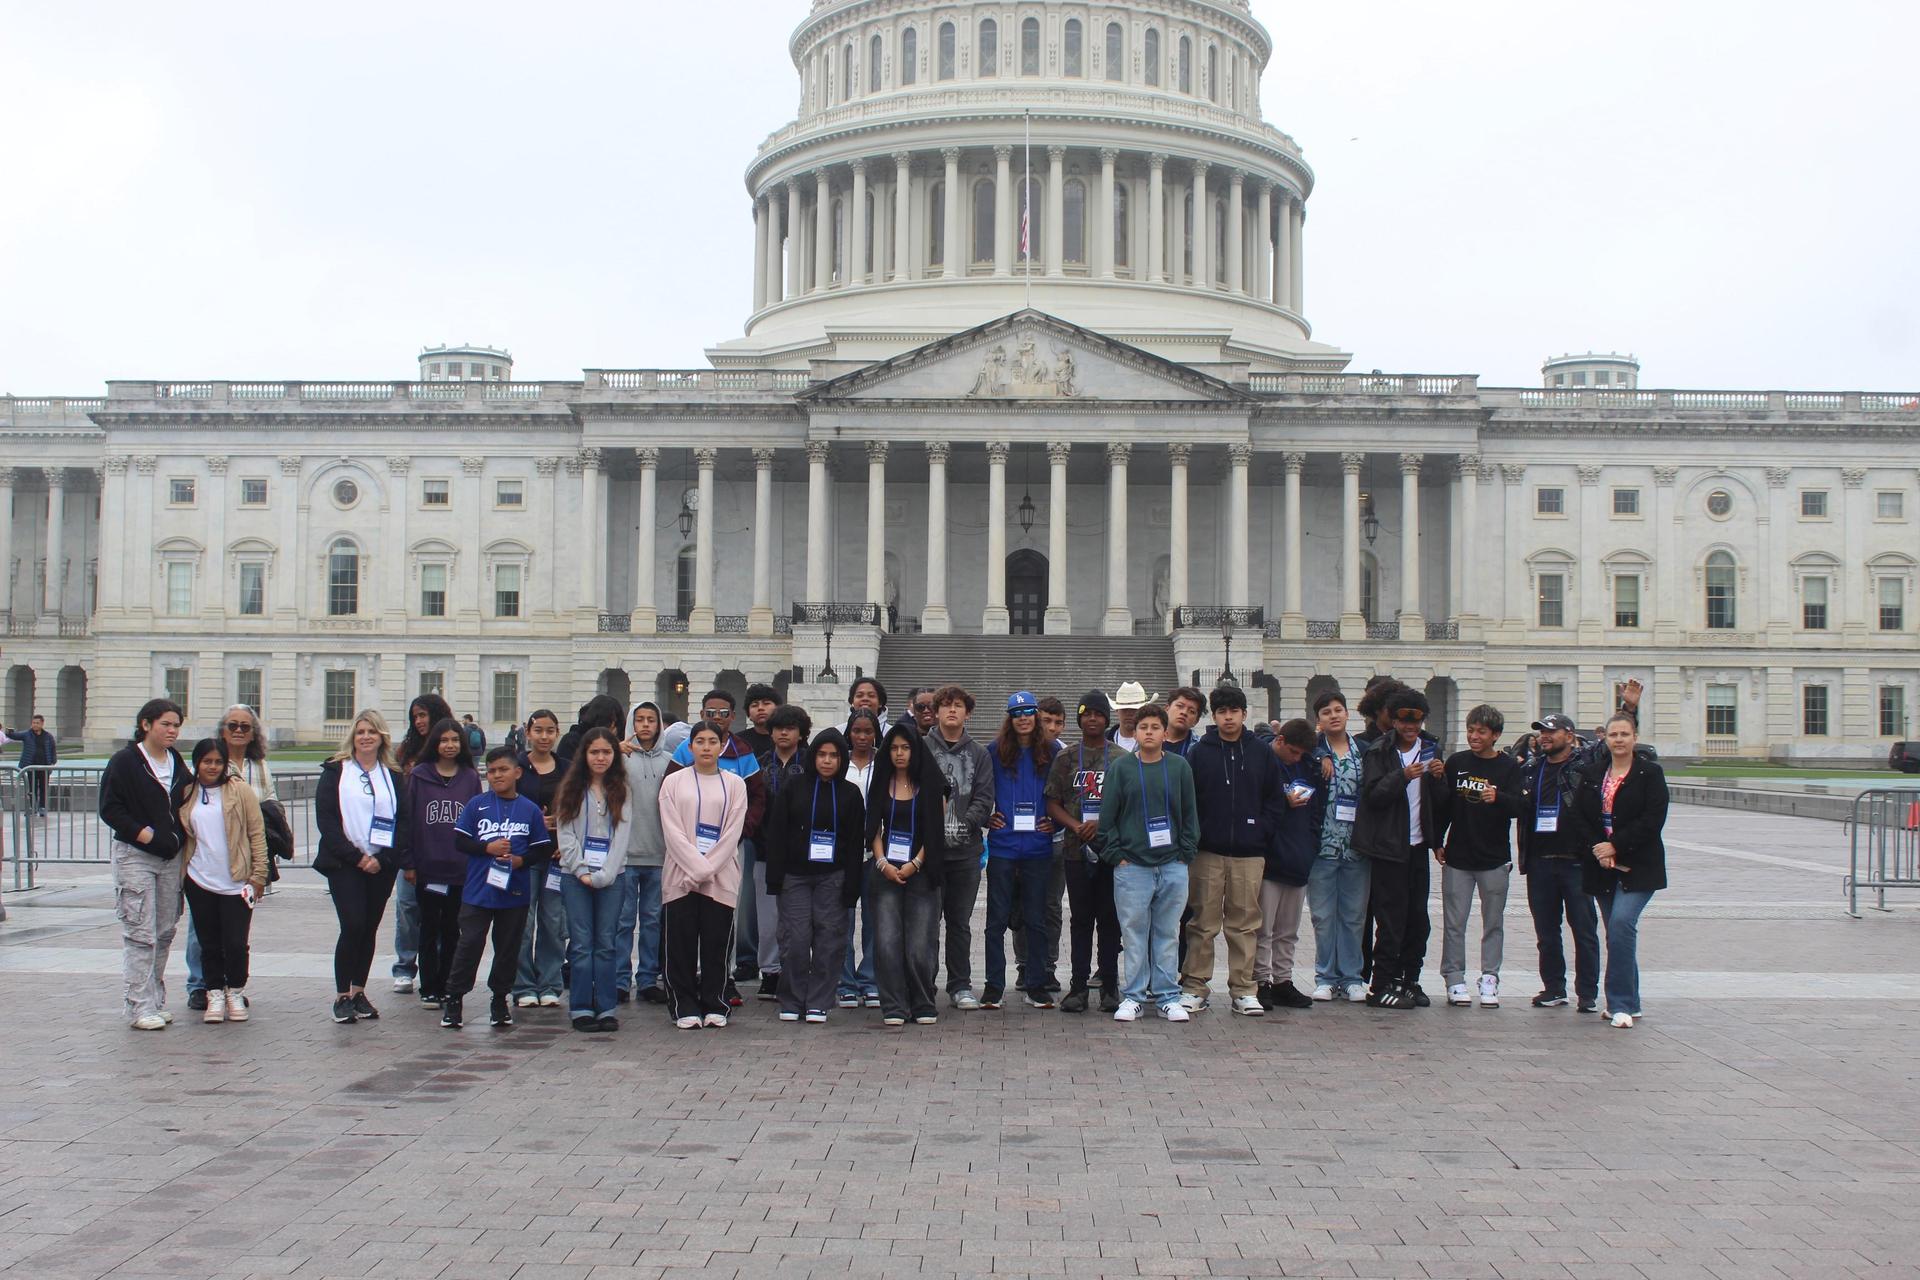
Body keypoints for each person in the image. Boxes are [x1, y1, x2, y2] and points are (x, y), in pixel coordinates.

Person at [1179, 683, 1288, 1016]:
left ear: (1244, 714)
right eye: (1222, 712)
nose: (1228, 718)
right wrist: (1197, 835)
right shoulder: (1199, 752)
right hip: (1207, 852)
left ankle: (1243, 989)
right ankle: (1195, 986)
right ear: (1213, 716)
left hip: (1249, 853)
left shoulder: (1261, 752)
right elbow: (1188, 800)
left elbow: (1274, 798)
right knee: (1202, 924)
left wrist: (1261, 830)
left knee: (1244, 925)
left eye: (1234, 712)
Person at [1099, 704, 1199, 1023]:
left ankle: (1168, 995)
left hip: (1172, 863)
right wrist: (1117, 855)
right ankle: (1134, 996)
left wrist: (1185, 852)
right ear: (1136, 732)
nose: (1149, 733)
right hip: (1132, 866)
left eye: (1156, 727)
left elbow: (1189, 813)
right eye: (1144, 727)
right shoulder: (1122, 768)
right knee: (1134, 933)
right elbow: (1107, 817)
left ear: (1165, 733)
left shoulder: (1179, 767)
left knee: (1168, 932)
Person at [668, 689, 767, 1007]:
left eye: (723, 713)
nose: (717, 718)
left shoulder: (743, 752)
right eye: (711, 712)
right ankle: (686, 988)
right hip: (685, 854)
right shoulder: (683, 751)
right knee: (685, 924)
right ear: (701, 715)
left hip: (728, 850)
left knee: (721, 919)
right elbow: (669, 806)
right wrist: (691, 855)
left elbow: (756, 798)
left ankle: (722, 982)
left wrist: (742, 833)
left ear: (732, 717)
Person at [98, 698, 192, 1030]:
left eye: (176, 725)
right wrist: (146, 835)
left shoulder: (176, 762)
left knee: (164, 931)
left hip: (170, 859)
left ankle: (154, 999)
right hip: (135, 856)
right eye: (166, 724)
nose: (172, 730)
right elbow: (110, 808)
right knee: (140, 932)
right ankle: (138, 1006)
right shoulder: (126, 762)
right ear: (146, 725)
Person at [445, 748, 554, 1029]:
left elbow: (541, 849)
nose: (496, 775)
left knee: (508, 948)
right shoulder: (476, 805)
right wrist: (487, 848)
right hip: (479, 890)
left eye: (503, 770)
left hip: (514, 891)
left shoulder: (529, 809)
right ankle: (454, 999)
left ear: (517, 772)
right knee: (470, 944)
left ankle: (500, 999)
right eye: (492, 771)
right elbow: (460, 841)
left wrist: (521, 860)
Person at [764, 728, 866, 1023]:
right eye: (822, 754)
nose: (827, 760)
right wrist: (775, 878)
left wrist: (852, 886)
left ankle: (820, 1000)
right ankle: (793, 999)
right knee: (795, 939)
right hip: (794, 876)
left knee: (829, 940)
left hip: (833, 876)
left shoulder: (850, 794)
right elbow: (777, 832)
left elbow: (855, 842)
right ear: (813, 756)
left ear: (841, 759)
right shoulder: (794, 787)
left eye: (834, 755)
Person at [314, 710, 409, 1025]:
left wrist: (382, 859)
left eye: (372, 732)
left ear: (382, 737)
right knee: (352, 924)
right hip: (346, 862)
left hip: (381, 864)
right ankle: (341, 995)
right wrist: (357, 858)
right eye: (360, 732)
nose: (366, 737)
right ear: (352, 737)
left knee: (369, 928)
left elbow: (404, 821)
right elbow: (327, 820)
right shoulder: (336, 770)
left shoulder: (392, 775)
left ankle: (358, 991)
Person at [1354, 687, 1446, 1010]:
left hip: (1418, 846)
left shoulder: (1431, 748)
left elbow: (1440, 802)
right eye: (1404, 720)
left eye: (1416, 720)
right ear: (1393, 721)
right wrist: (1402, 776)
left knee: (1418, 920)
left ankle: (1409, 979)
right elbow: (1373, 796)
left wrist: (1439, 779)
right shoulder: (1380, 751)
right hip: (1389, 847)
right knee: (1390, 920)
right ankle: (1380, 984)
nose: (1410, 727)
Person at [1576, 714, 1668, 1029]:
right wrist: (1599, 848)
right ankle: (1632, 1001)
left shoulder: (1649, 773)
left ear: (1635, 738)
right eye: (1613, 734)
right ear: (1605, 738)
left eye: (1624, 734)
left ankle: (1619, 1004)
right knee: (1617, 934)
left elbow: (1653, 819)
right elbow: (1580, 816)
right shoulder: (1593, 773)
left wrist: (1615, 845)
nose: (1618, 740)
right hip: (1602, 866)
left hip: (1638, 865)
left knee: (1621, 925)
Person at [188, 704, 279, 1008]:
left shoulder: (259, 766)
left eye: (245, 727)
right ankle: (201, 984)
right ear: (222, 730)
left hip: (243, 859)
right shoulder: (208, 763)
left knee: (235, 935)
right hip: (208, 863)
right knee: (202, 931)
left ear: (253, 733)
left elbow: (270, 804)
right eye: (233, 726)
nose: (239, 731)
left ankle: (231, 986)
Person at [660, 720, 748, 1029]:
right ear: (690, 746)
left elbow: (733, 832)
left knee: (717, 943)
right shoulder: (673, 782)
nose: (706, 747)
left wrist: (706, 870)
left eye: (713, 741)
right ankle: (683, 1004)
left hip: (720, 876)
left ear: (722, 746)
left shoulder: (735, 784)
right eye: (700, 741)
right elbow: (672, 832)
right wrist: (697, 869)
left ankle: (715, 1002)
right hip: (680, 876)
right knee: (680, 945)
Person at [1438, 705, 1527, 1008]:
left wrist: (1497, 797)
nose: (1474, 736)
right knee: (1454, 923)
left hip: (1494, 858)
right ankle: (1454, 978)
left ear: (1495, 735)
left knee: (1493, 923)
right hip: (1458, 857)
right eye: (1471, 730)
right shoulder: (1457, 762)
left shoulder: (1509, 767)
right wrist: (1437, 840)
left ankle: (1490, 978)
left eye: (1481, 732)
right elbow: (1445, 805)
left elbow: (1520, 807)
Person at [1044, 690, 1125, 1014]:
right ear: (1079, 719)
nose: (1092, 719)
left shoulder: (1120, 758)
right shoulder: (1065, 758)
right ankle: (1078, 987)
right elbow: (1052, 802)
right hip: (1075, 850)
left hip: (1110, 851)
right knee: (1080, 920)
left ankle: (1110, 986)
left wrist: (1102, 823)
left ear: (1107, 718)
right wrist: (1076, 826)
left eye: (1098, 713)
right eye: (1086, 713)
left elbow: (1128, 803)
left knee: (1109, 920)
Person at [1518, 712, 1604, 1013]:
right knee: (1546, 932)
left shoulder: (1583, 765)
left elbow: (1608, 748)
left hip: (1575, 861)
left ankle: (1587, 993)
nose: (1545, 736)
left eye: (1552, 732)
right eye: (1542, 732)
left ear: (1569, 736)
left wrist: (1629, 709)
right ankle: (1554, 988)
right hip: (1540, 861)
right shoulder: (1532, 768)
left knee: (1584, 930)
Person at [178, 739, 268, 1024]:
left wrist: (259, 875)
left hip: (236, 880)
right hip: (200, 878)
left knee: (235, 943)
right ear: (197, 763)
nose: (213, 767)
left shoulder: (240, 790)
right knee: (208, 943)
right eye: (207, 761)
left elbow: (256, 833)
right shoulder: (187, 792)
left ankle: (235, 991)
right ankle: (214, 992)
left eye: (218, 762)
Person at [867, 721, 946, 1026]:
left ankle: (923, 1001)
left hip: (922, 871)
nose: (899, 754)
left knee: (920, 943)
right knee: (887, 941)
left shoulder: (931, 785)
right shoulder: (881, 782)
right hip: (886, 870)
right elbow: (873, 828)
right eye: (894, 748)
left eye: (906, 748)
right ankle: (894, 1005)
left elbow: (935, 832)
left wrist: (915, 863)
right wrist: (882, 862)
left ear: (916, 751)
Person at [554, 727, 632, 1033]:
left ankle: (606, 1007)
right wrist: (582, 871)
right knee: (581, 944)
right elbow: (566, 835)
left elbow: (622, 836)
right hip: (576, 878)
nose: (601, 758)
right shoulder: (571, 788)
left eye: (607, 752)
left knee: (606, 943)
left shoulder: (622, 789)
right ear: (584, 755)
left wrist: (605, 874)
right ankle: (581, 1006)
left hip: (613, 877)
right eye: (594, 752)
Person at [983, 691, 1057, 1009]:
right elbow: (978, 789)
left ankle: (1036, 984)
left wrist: (1057, 823)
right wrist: (985, 818)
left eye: (1028, 712)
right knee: (996, 920)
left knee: (1036, 919)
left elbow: (1063, 793)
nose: (1023, 718)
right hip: (1003, 845)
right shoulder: (993, 751)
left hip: (1038, 847)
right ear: (1009, 718)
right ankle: (993, 985)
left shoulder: (1052, 751)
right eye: (1016, 713)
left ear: (1036, 715)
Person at [403, 717, 481, 1009]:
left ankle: (449, 984)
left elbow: (478, 821)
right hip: (427, 867)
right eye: (444, 740)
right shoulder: (419, 776)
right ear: (435, 743)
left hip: (460, 868)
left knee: (452, 929)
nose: (450, 745)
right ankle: (429, 987)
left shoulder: (470, 778)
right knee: (428, 927)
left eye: (455, 740)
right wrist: (409, 862)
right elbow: (409, 820)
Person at [925, 685, 994, 1010]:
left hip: (965, 852)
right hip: (927, 853)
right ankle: (924, 982)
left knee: (959, 923)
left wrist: (963, 825)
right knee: (926, 922)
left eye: (958, 706)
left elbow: (984, 796)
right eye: (946, 705)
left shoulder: (979, 754)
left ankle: (960, 985)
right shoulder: (922, 748)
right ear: (936, 711)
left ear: (968, 713)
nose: (952, 710)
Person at [389, 693, 453, 996]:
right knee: (407, 906)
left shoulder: (450, 750)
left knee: (441, 911)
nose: (418, 721)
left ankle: (438, 966)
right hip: (410, 838)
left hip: (441, 845)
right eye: (415, 716)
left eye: (423, 715)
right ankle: (404, 965)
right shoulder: (406, 751)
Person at [1307, 691, 1369, 1002]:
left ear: (1347, 714)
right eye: (1326, 712)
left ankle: (1352, 977)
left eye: (1338, 710)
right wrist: (1320, 756)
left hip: (1356, 846)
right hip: (1323, 846)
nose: (1333, 715)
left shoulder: (1365, 751)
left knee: (1353, 916)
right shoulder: (1313, 752)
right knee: (1322, 916)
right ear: (1318, 720)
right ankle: (1325, 976)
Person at [1257, 719, 1322, 1011]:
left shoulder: (1308, 766)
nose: (1297, 758)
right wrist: (1282, 801)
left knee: (1288, 930)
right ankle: (1261, 981)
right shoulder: (1262, 760)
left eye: (1301, 754)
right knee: (1263, 929)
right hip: (1269, 859)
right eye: (1293, 752)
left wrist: (1311, 845)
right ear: (1279, 740)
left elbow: (1316, 812)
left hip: (1298, 857)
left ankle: (1283, 980)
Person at [752, 704, 814, 1002]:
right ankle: (770, 971)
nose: (784, 733)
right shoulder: (760, 764)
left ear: (801, 733)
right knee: (767, 919)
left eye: (790, 728)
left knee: (801, 919)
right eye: (779, 728)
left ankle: (798, 970)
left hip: (804, 854)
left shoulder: (812, 763)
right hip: (765, 850)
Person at [512, 708, 571, 1009]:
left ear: (557, 733)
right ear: (528, 732)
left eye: (550, 731)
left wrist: (564, 835)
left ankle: (549, 983)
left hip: (556, 857)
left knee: (553, 922)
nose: (544, 737)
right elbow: (506, 805)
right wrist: (535, 819)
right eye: (538, 730)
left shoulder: (567, 768)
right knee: (523, 922)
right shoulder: (517, 767)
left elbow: (577, 809)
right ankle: (523, 985)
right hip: (525, 855)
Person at [617, 702, 672, 1003]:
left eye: (651, 719)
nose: (646, 725)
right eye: (640, 719)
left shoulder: (669, 761)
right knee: (624, 922)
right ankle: (619, 979)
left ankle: (648, 979)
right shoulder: (619, 759)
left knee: (652, 921)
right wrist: (615, 752)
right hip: (626, 855)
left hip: (658, 854)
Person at [834, 707, 883, 1008]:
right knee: (843, 919)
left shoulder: (885, 763)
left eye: (868, 731)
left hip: (877, 852)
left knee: (875, 919)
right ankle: (845, 981)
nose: (862, 736)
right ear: (849, 733)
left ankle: (870, 979)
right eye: (857, 731)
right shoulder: (839, 763)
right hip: (843, 853)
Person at [4, 713, 56, 814]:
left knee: (43, 788)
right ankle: (32, 807)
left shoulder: (48, 736)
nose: (35, 725)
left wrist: (53, 762)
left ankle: (42, 807)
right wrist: (9, 731)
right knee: (32, 788)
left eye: (37, 723)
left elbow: (53, 750)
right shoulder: (27, 734)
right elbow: (14, 735)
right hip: (31, 767)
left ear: (42, 724)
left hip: (44, 767)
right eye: (33, 723)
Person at [1163, 687, 1207, 758]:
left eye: (1191, 711)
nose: (1184, 712)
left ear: (1196, 721)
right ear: (1167, 709)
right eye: (1180, 706)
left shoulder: (1201, 748)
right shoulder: (1146, 739)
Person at [1109, 682, 1152, 752]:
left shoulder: (1155, 741)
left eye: (1134, 709)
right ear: (1117, 710)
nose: (1129, 714)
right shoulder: (1103, 740)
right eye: (1124, 709)